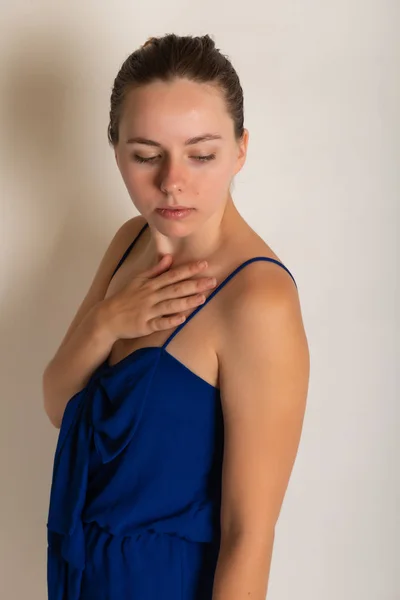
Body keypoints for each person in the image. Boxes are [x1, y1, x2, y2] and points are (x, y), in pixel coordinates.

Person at [43, 33, 310, 600]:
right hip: (84, 576)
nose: (172, 182)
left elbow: (249, 538)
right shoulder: (129, 241)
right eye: (145, 155)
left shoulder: (258, 300)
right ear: (115, 148)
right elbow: (57, 405)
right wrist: (109, 322)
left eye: (202, 154)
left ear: (241, 149)